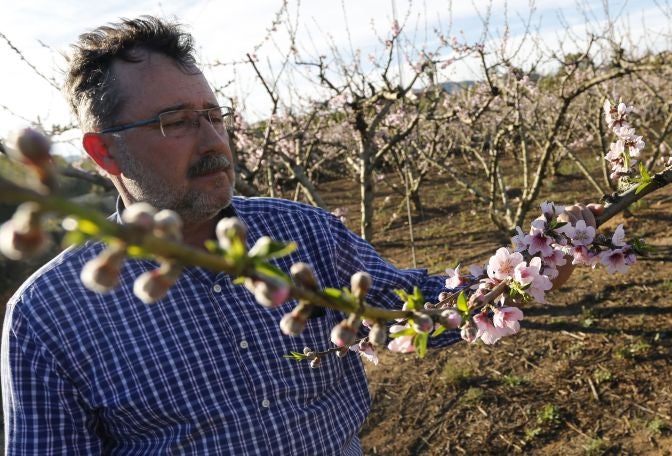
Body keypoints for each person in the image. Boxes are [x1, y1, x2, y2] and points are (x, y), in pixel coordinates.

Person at [1, 16, 600, 455]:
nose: (213, 141)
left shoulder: (302, 231)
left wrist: (523, 272)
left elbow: (409, 313)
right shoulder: (48, 316)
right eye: (176, 122)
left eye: (214, 115)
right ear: (105, 151)